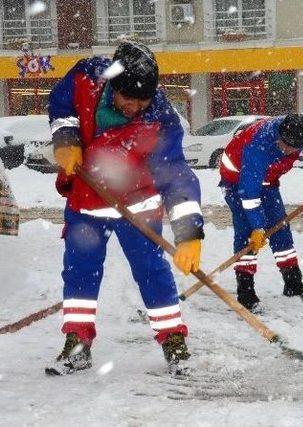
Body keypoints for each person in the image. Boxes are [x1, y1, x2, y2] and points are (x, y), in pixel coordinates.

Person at [45, 42, 204, 375]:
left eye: (142, 100)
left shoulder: (160, 117)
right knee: (79, 277)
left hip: (138, 206)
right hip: (87, 202)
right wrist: (66, 138)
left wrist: (189, 233)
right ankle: (76, 344)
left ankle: (174, 344)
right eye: (128, 99)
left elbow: (174, 174)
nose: (135, 107)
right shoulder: (85, 79)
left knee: (152, 274)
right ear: (112, 87)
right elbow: (61, 105)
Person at [219, 114, 303, 311]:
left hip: (268, 180)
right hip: (236, 180)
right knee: (248, 233)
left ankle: (292, 282)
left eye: (293, 148)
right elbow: (249, 194)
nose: (287, 151)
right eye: (285, 144)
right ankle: (245, 289)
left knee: (280, 227)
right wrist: (257, 226)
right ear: (279, 135)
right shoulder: (259, 144)